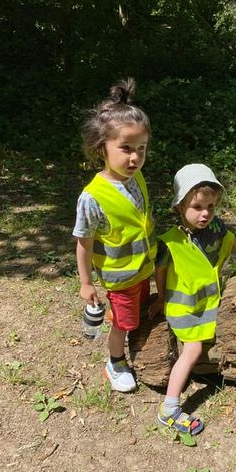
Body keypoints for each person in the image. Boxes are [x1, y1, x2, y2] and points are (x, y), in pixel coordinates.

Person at [149, 163, 236, 434]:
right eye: (197, 207)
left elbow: (231, 241)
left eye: (211, 206)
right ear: (179, 206)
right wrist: (160, 299)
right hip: (185, 310)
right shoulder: (170, 242)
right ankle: (169, 408)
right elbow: (160, 272)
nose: (205, 213)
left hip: (209, 305)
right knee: (193, 350)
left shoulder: (215, 229)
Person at [73, 78, 156, 392]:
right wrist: (85, 283)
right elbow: (84, 243)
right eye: (126, 148)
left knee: (138, 313)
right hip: (120, 279)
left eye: (141, 149)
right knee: (123, 322)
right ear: (101, 148)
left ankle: (135, 338)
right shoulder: (92, 197)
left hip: (143, 270)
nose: (135, 157)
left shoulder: (136, 178)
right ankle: (115, 362)